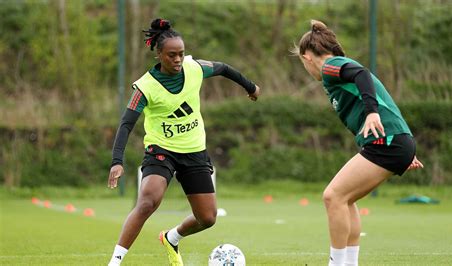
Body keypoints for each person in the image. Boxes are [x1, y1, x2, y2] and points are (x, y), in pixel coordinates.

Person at [107, 18, 260, 266]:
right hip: (161, 150)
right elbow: (126, 123)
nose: (177, 59)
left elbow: (223, 68)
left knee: (208, 218)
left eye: (181, 54)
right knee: (147, 201)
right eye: (171, 55)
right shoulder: (145, 87)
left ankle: (172, 237)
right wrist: (117, 161)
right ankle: (114, 262)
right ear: (158, 54)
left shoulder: (194, 68)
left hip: (194, 150)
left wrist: (250, 86)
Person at [293, 20, 423, 266]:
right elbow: (387, 102)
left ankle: (336, 263)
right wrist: (406, 148)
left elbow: (362, 74)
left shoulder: (330, 66)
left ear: (307, 56)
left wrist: (372, 112)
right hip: (394, 142)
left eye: (302, 63)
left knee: (333, 196)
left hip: (388, 143)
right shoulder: (336, 70)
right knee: (345, 199)